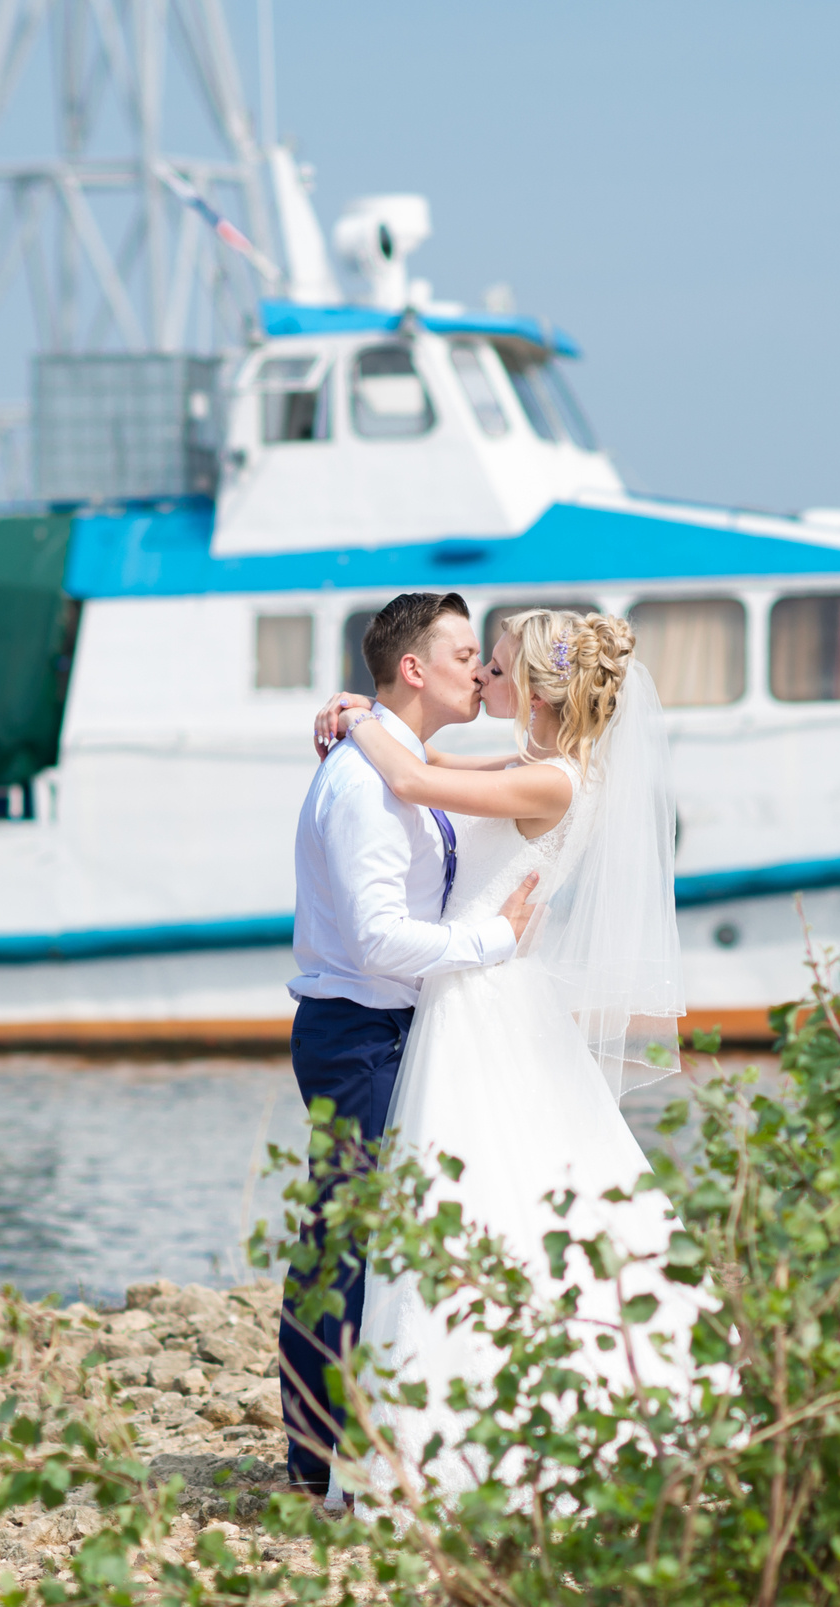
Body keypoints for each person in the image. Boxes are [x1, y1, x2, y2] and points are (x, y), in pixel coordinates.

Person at [310, 608, 696, 1502]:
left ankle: (464, 1443)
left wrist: (363, 718)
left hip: (481, 999)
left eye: (498, 662)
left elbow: (410, 776)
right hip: (477, 994)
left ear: (533, 685)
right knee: (486, 1201)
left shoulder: (555, 783)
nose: (484, 673)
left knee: (468, 1203)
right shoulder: (540, 766)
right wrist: (361, 708)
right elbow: (432, 761)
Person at [280, 590, 541, 1497]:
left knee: (378, 1233)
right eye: (466, 654)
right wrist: (494, 942)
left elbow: (441, 767)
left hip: (398, 1026)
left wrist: (361, 717)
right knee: (342, 1237)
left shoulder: (396, 761)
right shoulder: (363, 785)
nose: (481, 669)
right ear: (415, 669)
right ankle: (313, 1457)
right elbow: (379, 941)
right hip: (358, 1029)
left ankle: (372, 1431)